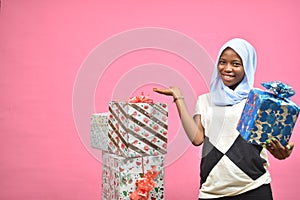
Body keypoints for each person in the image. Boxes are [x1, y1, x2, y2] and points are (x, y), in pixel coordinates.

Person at [153, 38, 294, 199]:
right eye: (222, 62)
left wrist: (284, 150)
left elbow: (275, 140)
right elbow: (197, 138)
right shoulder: (205, 100)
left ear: (247, 67)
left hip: (254, 187)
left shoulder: (258, 99)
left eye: (235, 64)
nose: (227, 68)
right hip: (212, 191)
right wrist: (179, 97)